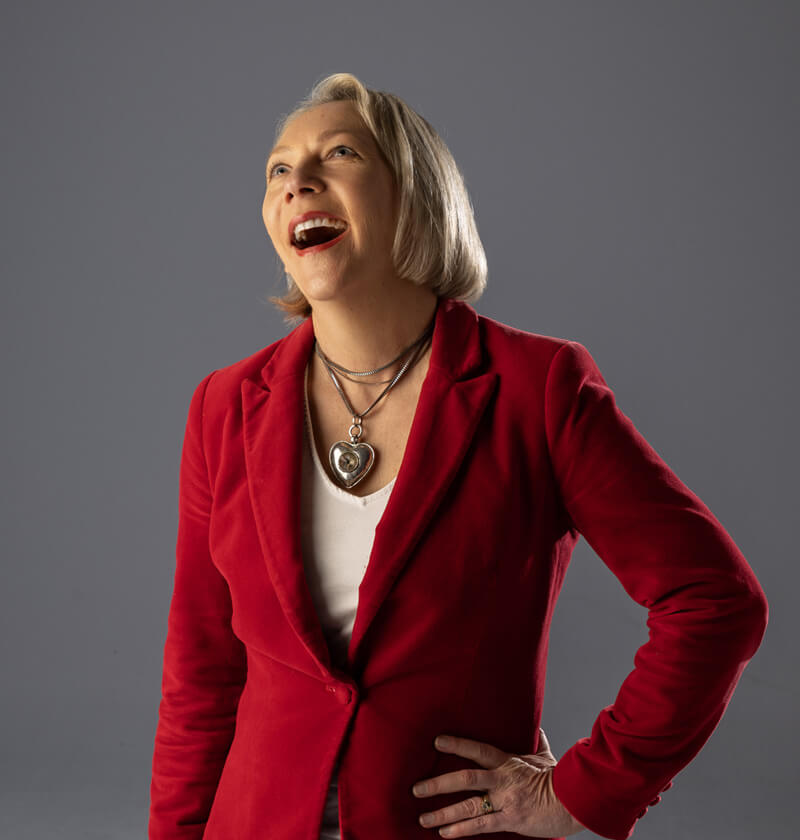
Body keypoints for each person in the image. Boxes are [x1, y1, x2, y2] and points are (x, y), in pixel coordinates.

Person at [147, 73, 769, 840]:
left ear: (415, 195)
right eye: (278, 168)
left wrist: (585, 791)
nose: (297, 181)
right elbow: (201, 675)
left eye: (338, 154)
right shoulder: (223, 405)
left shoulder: (537, 389)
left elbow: (715, 602)